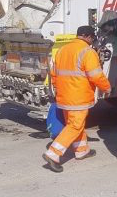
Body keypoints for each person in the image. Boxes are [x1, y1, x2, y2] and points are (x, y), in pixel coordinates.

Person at [42, 25, 111, 172]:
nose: (92, 41)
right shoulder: (87, 52)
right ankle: (53, 154)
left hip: (64, 96)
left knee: (74, 124)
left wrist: (57, 90)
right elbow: (96, 75)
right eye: (92, 38)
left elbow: (54, 74)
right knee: (75, 125)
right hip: (78, 97)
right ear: (87, 36)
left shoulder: (62, 50)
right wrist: (107, 88)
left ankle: (82, 150)